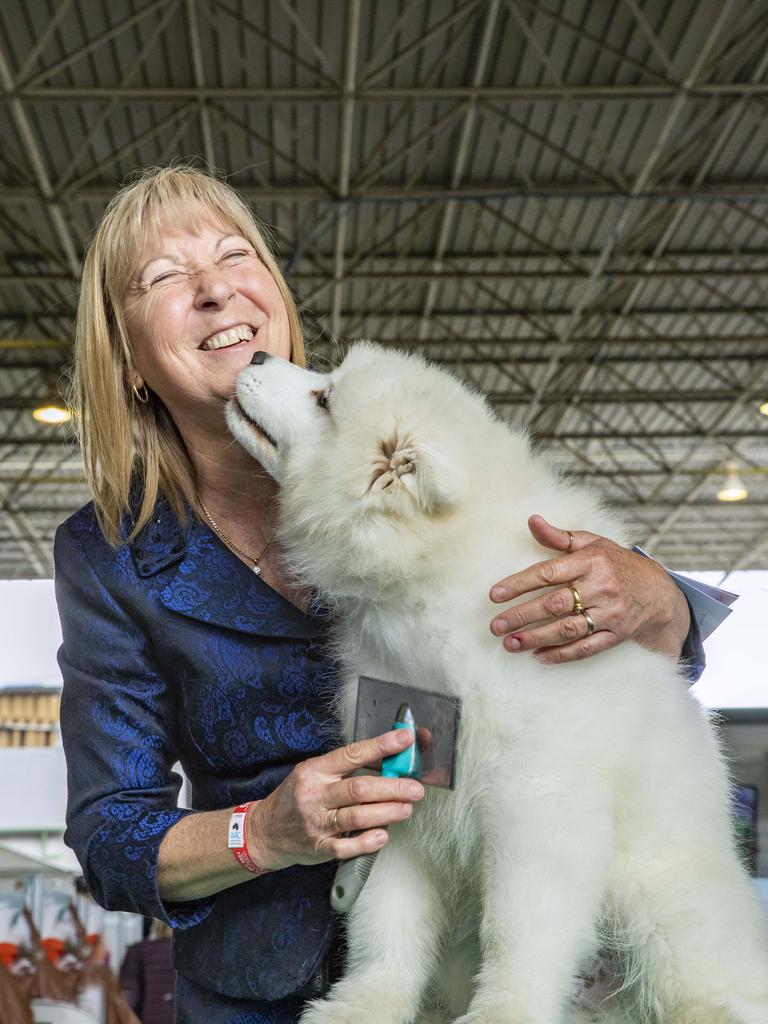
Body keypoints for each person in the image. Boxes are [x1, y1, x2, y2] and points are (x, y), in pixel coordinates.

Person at [55, 165, 704, 1024]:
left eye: (233, 254)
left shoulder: (392, 426)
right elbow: (110, 838)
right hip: (266, 992)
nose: (214, 289)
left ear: (276, 296)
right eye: (165, 278)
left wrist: (664, 600)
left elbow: (600, 683)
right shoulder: (109, 555)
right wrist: (265, 831)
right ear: (129, 358)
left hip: (483, 966)